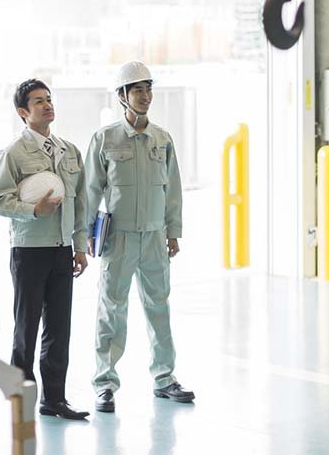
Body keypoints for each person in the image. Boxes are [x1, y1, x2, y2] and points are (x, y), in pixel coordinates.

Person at [85, 61, 194, 413]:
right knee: (111, 311)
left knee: (158, 307)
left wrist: (173, 231)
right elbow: (90, 191)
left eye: (148, 89)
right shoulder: (105, 139)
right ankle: (104, 383)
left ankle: (165, 378)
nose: (145, 96)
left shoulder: (162, 140)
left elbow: (173, 189)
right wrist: (85, 235)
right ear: (122, 96)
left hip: (154, 239)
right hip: (118, 238)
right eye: (137, 90)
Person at [0, 79, 90, 420]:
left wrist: (79, 247)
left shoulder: (70, 151)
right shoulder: (13, 154)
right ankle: (21, 401)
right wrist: (33, 210)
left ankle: (54, 399)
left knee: (59, 328)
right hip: (29, 251)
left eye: (49, 99)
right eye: (38, 101)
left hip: (62, 250)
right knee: (26, 328)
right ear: (23, 112)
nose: (47, 105)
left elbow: (80, 205)